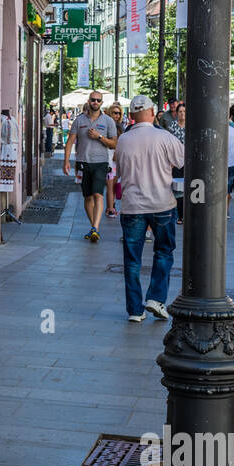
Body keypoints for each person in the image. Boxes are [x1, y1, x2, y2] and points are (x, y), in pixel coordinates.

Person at [114, 94, 184, 323]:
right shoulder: (164, 137)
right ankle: (155, 297)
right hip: (162, 203)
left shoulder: (123, 139)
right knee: (164, 251)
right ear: (153, 113)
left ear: (132, 115)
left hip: (132, 205)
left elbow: (118, 168)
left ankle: (135, 310)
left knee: (132, 259)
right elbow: (182, 162)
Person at [63, 91, 120, 241]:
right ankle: (93, 227)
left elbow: (114, 143)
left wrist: (99, 137)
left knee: (98, 194)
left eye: (98, 100)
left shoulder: (108, 121)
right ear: (89, 101)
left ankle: (95, 228)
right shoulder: (79, 120)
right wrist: (66, 161)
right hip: (83, 162)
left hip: (101, 163)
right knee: (87, 197)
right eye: (93, 100)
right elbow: (70, 141)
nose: (95, 102)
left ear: (102, 103)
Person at [165, 101, 187, 223]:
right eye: (180, 112)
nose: (182, 114)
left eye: (184, 112)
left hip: (188, 161)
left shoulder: (191, 126)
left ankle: (184, 214)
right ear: (176, 113)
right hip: (175, 161)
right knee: (177, 187)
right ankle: (179, 215)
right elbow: (168, 144)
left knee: (187, 187)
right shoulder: (172, 126)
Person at [103, 103, 124, 218]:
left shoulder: (120, 126)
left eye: (119, 113)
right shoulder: (108, 125)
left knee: (115, 185)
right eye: (115, 112)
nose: (117, 115)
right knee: (110, 185)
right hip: (110, 157)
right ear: (110, 113)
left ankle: (111, 207)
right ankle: (110, 209)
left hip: (118, 158)